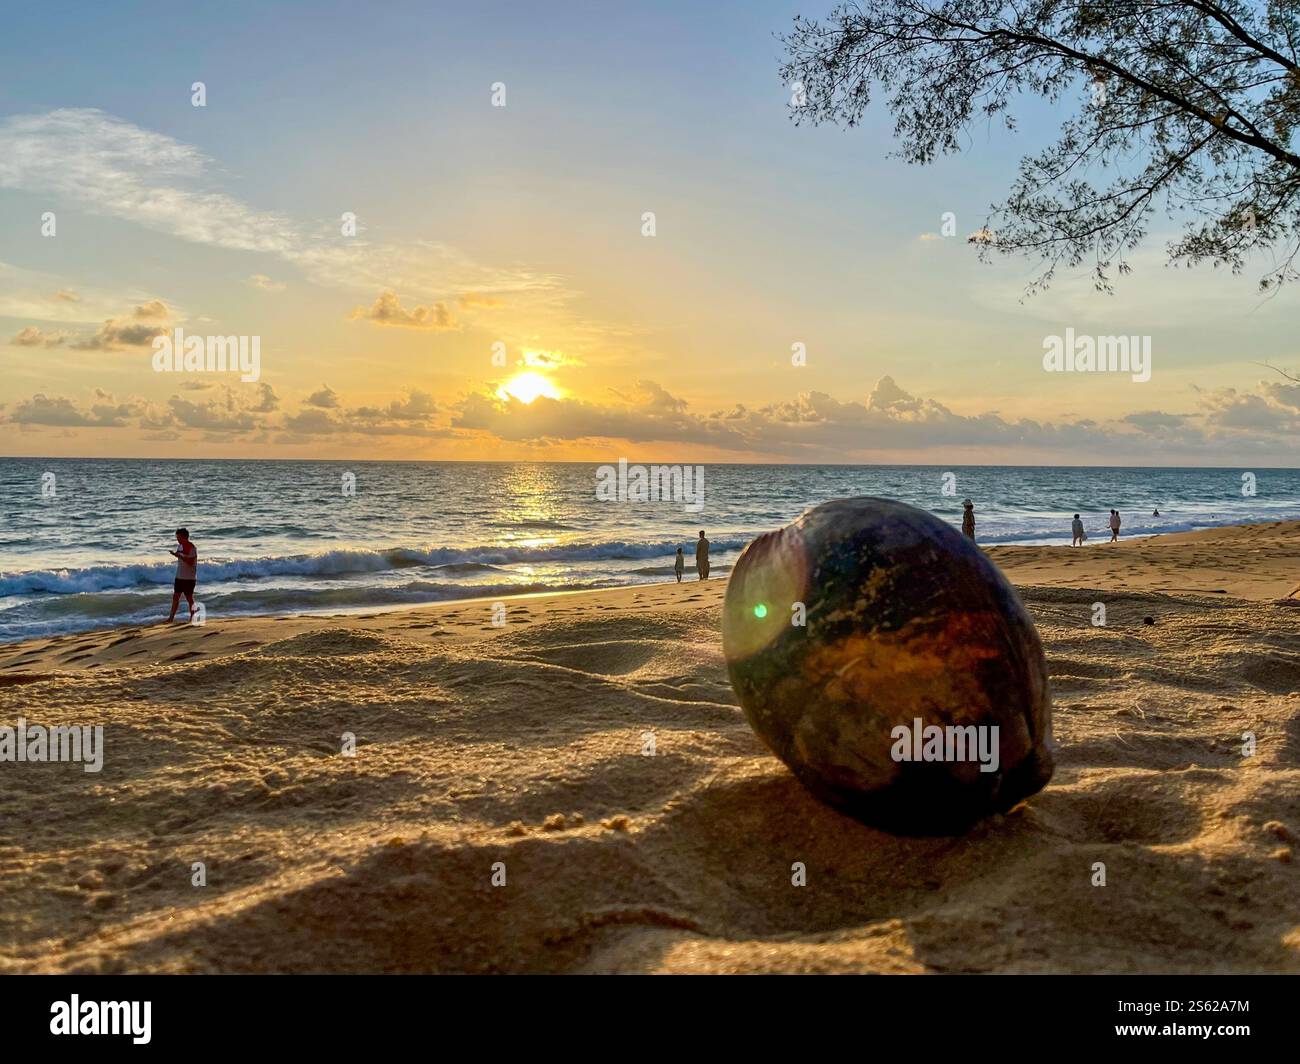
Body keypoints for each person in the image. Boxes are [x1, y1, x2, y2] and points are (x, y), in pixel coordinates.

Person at [167, 527, 198, 622]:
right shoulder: (180, 546)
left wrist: (178, 555)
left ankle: (193, 617)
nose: (178, 540)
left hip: (189, 577)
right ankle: (171, 618)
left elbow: (191, 562)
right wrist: (177, 554)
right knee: (175, 597)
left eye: (179, 538)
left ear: (185, 537)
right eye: (177, 537)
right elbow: (180, 556)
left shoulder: (192, 547)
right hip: (179, 576)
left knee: (189, 598)